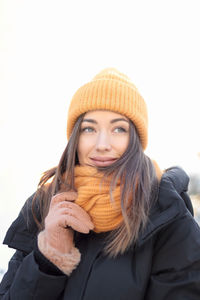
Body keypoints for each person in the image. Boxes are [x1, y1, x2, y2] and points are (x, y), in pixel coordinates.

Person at [0, 68, 200, 300]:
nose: (102, 144)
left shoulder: (167, 216)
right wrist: (50, 258)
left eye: (118, 129)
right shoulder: (44, 205)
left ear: (135, 139)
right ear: (76, 137)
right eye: (89, 128)